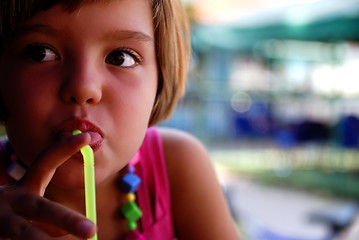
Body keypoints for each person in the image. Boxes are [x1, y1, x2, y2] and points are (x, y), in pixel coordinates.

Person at [0, 0, 240, 239]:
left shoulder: (176, 165)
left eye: (121, 57)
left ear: (160, 79)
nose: (84, 88)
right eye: (40, 53)